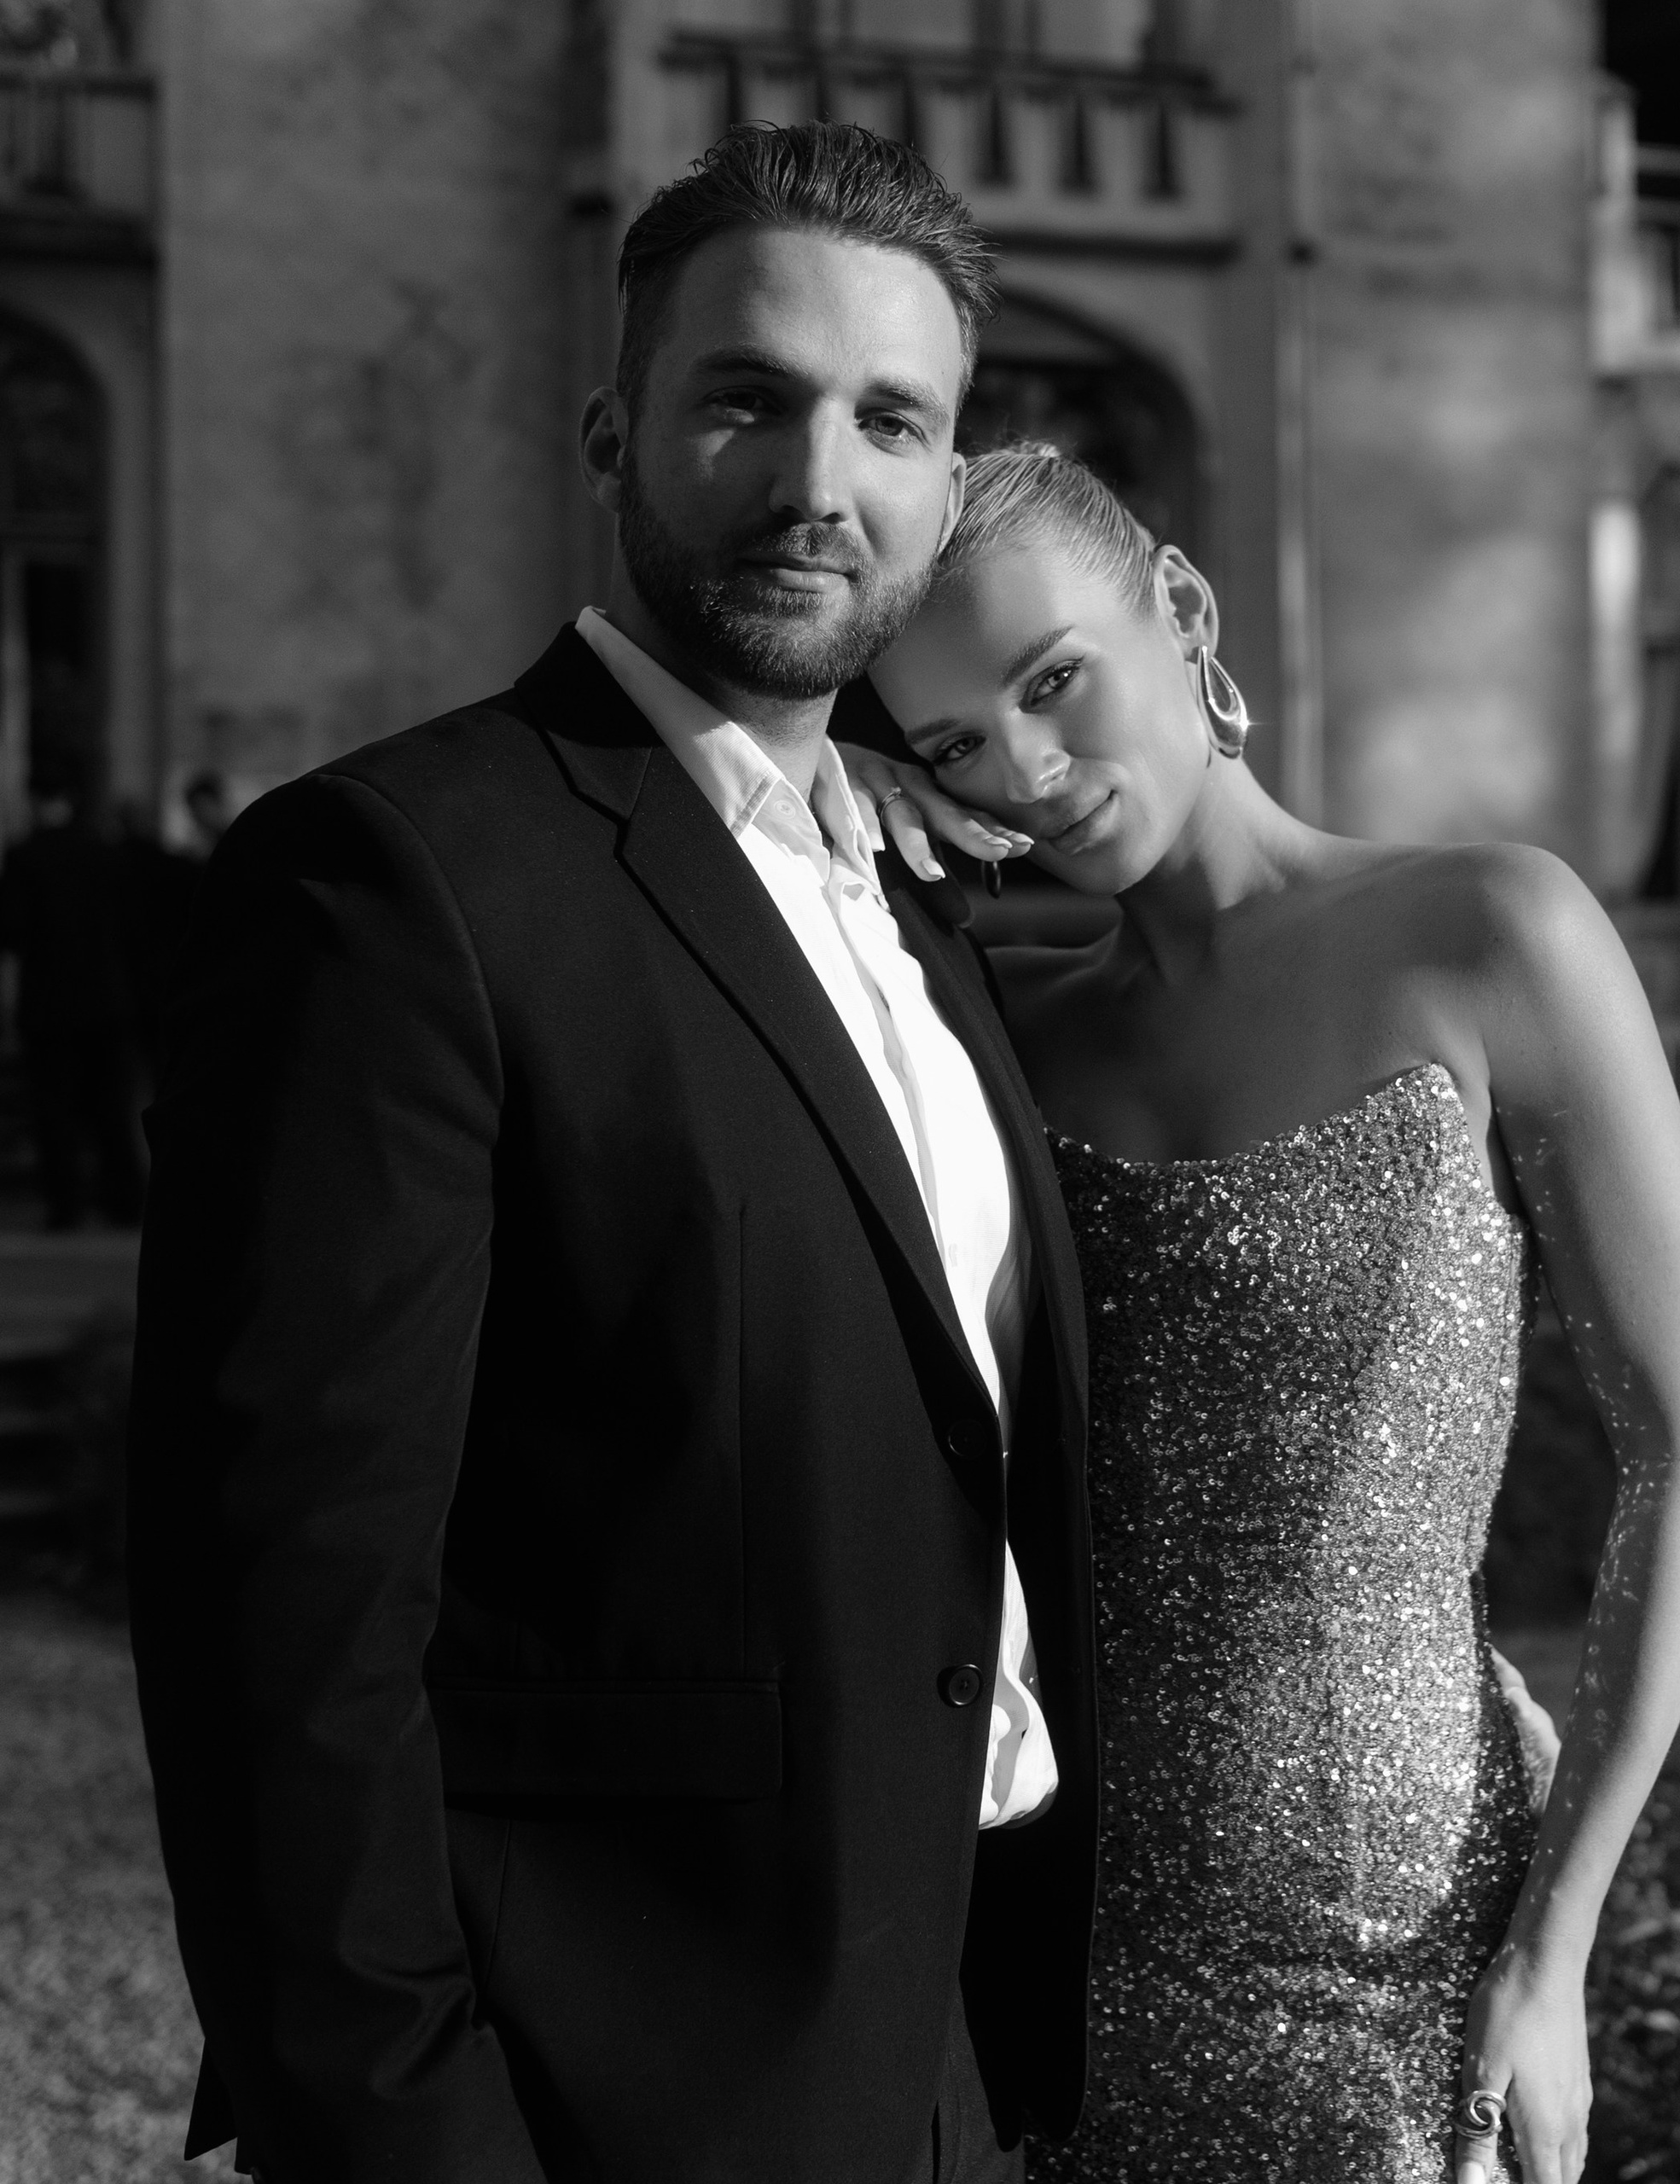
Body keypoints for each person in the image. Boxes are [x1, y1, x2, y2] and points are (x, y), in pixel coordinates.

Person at [128, 128, 1096, 2184]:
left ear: (945, 480)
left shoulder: (916, 904)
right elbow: (282, 1619)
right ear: (611, 429)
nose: (816, 481)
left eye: (889, 423)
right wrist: (404, 2137)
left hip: (947, 2059)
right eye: (744, 397)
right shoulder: (395, 878)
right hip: (612, 2088)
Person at [844, 444, 1680, 2184]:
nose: (1029, 769)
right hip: (1060, 1902)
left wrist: (1553, 1948)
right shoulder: (983, 1022)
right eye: (955, 741)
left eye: (1053, 681)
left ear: (1179, 608)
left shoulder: (1488, 926)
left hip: (1405, 1920)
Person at [0, 779, 146, 1228]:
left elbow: (12, 932)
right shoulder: (104, 854)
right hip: (107, 997)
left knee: (55, 1110)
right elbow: (131, 926)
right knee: (111, 1107)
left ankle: (66, 1205)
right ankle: (124, 1201)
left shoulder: (26, 856)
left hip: (50, 1002)